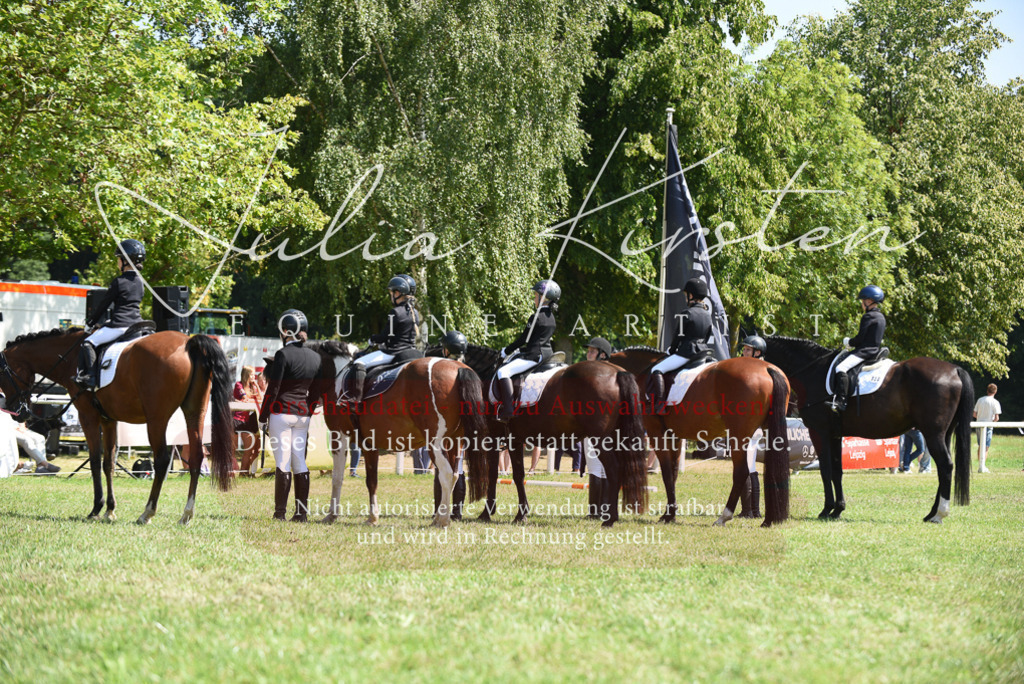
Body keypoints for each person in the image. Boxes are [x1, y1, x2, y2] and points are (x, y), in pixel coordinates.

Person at [258, 309, 322, 521]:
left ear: (286, 331)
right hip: (303, 415)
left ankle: (280, 514)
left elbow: (273, 389)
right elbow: (315, 393)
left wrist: (262, 416)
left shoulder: (283, 355)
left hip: (281, 414)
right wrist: (308, 412)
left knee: (283, 463)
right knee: (300, 464)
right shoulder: (315, 357)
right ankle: (301, 514)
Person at [74, 239, 146, 388]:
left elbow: (103, 305)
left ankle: (91, 377)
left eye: (119, 259)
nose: (117, 262)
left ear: (125, 261)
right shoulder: (140, 282)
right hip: (137, 325)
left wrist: (90, 323)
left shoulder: (119, 282)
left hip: (120, 325)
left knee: (88, 342)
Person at [349, 275, 421, 404]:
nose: (391, 296)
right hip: (412, 350)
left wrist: (372, 339)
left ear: (397, 293)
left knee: (359, 363)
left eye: (391, 293)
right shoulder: (414, 312)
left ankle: (356, 399)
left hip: (394, 351)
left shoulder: (395, 312)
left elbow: (385, 337)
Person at [496, 280, 559, 422]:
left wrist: (506, 351)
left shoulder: (536, 316)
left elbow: (524, 339)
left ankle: (508, 409)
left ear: (543, 298)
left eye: (536, 295)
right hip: (547, 353)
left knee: (502, 372)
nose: (534, 298)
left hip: (534, 355)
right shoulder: (552, 318)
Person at [646, 278, 713, 413]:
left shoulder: (686, 313)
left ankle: (660, 403)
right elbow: (707, 335)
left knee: (657, 370)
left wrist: (672, 350)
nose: (685, 298)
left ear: (691, 295)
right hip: (703, 352)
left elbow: (678, 337)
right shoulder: (707, 315)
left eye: (686, 295)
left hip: (687, 353)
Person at [832, 285, 886, 412]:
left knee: (841, 368)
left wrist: (849, 341)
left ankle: (841, 401)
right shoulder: (881, 317)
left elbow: (860, 339)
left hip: (864, 352)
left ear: (869, 301)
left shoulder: (868, 317)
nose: (862, 304)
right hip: (875, 351)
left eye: (863, 301)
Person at [432, 330, 470, 511]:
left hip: (444, 422)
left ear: (447, 350)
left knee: (442, 464)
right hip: (463, 425)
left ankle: (439, 509)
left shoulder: (442, 371)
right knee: (458, 465)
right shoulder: (468, 371)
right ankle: (457, 511)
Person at [973, 383, 1001, 473]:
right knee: (986, 447)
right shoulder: (995, 402)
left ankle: (980, 465)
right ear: (995, 391)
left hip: (978, 425)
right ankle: (983, 466)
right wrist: (992, 422)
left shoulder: (980, 400)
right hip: (988, 426)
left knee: (980, 445)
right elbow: (997, 418)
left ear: (987, 390)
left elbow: (974, 414)